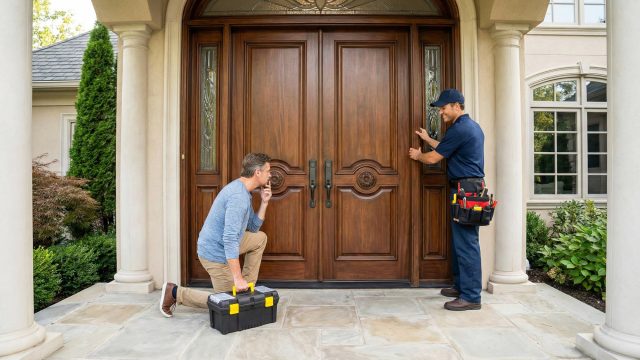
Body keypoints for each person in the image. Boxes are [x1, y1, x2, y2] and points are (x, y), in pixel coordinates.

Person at [160, 153, 272, 317]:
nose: (270, 174)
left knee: (259, 238)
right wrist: (237, 277)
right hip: (215, 253)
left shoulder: (243, 191)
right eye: (268, 171)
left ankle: (246, 289)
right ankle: (175, 292)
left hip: (225, 245)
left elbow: (253, 229)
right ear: (257, 173)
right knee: (229, 303)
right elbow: (229, 239)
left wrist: (264, 202)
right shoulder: (238, 197)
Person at [408, 89, 485, 311]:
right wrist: (427, 139)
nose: (441, 111)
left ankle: (471, 297)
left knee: (467, 243)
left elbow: (434, 158)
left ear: (457, 106)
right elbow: (446, 148)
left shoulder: (460, 129)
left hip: (466, 189)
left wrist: (418, 155)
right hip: (469, 188)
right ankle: (462, 287)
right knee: (462, 241)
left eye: (443, 107)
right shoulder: (469, 127)